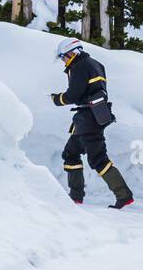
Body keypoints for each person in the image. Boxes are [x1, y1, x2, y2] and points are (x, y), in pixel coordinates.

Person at [51, 37, 135, 209]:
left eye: (63, 57)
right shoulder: (94, 64)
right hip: (90, 117)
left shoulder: (80, 67)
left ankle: (124, 196)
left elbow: (73, 95)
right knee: (71, 153)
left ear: (72, 53)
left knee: (98, 159)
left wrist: (57, 99)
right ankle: (75, 196)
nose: (63, 61)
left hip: (88, 119)